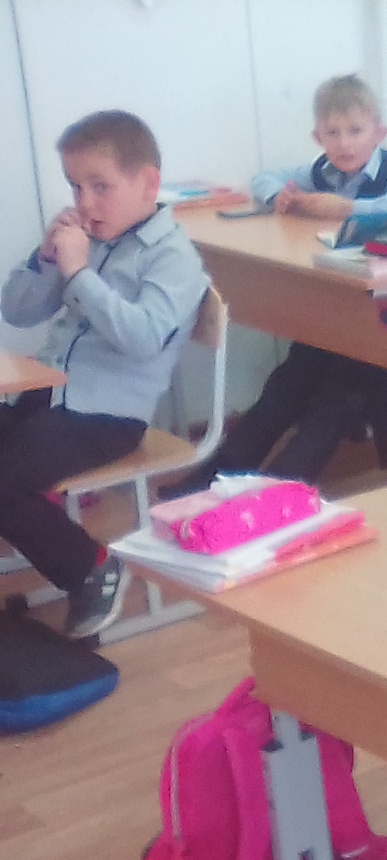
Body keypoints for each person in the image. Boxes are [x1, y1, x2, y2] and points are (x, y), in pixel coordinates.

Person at [0, 110, 208, 639]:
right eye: (76, 187)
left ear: (148, 184)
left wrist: (79, 274)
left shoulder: (173, 259)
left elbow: (142, 339)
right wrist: (49, 258)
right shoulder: (89, 239)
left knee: (3, 479)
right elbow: (17, 311)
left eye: (101, 187)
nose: (85, 203)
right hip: (47, 393)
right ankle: (38, 521)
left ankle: (91, 569)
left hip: (106, 416)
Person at [170, 74, 387, 494]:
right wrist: (280, 198)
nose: (344, 143)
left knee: (334, 397)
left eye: (355, 131)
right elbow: (265, 179)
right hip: (333, 306)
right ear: (318, 137)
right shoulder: (322, 171)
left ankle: (273, 492)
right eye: (333, 133)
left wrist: (346, 208)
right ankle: (216, 478)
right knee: (286, 384)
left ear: (379, 134)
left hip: (383, 316)